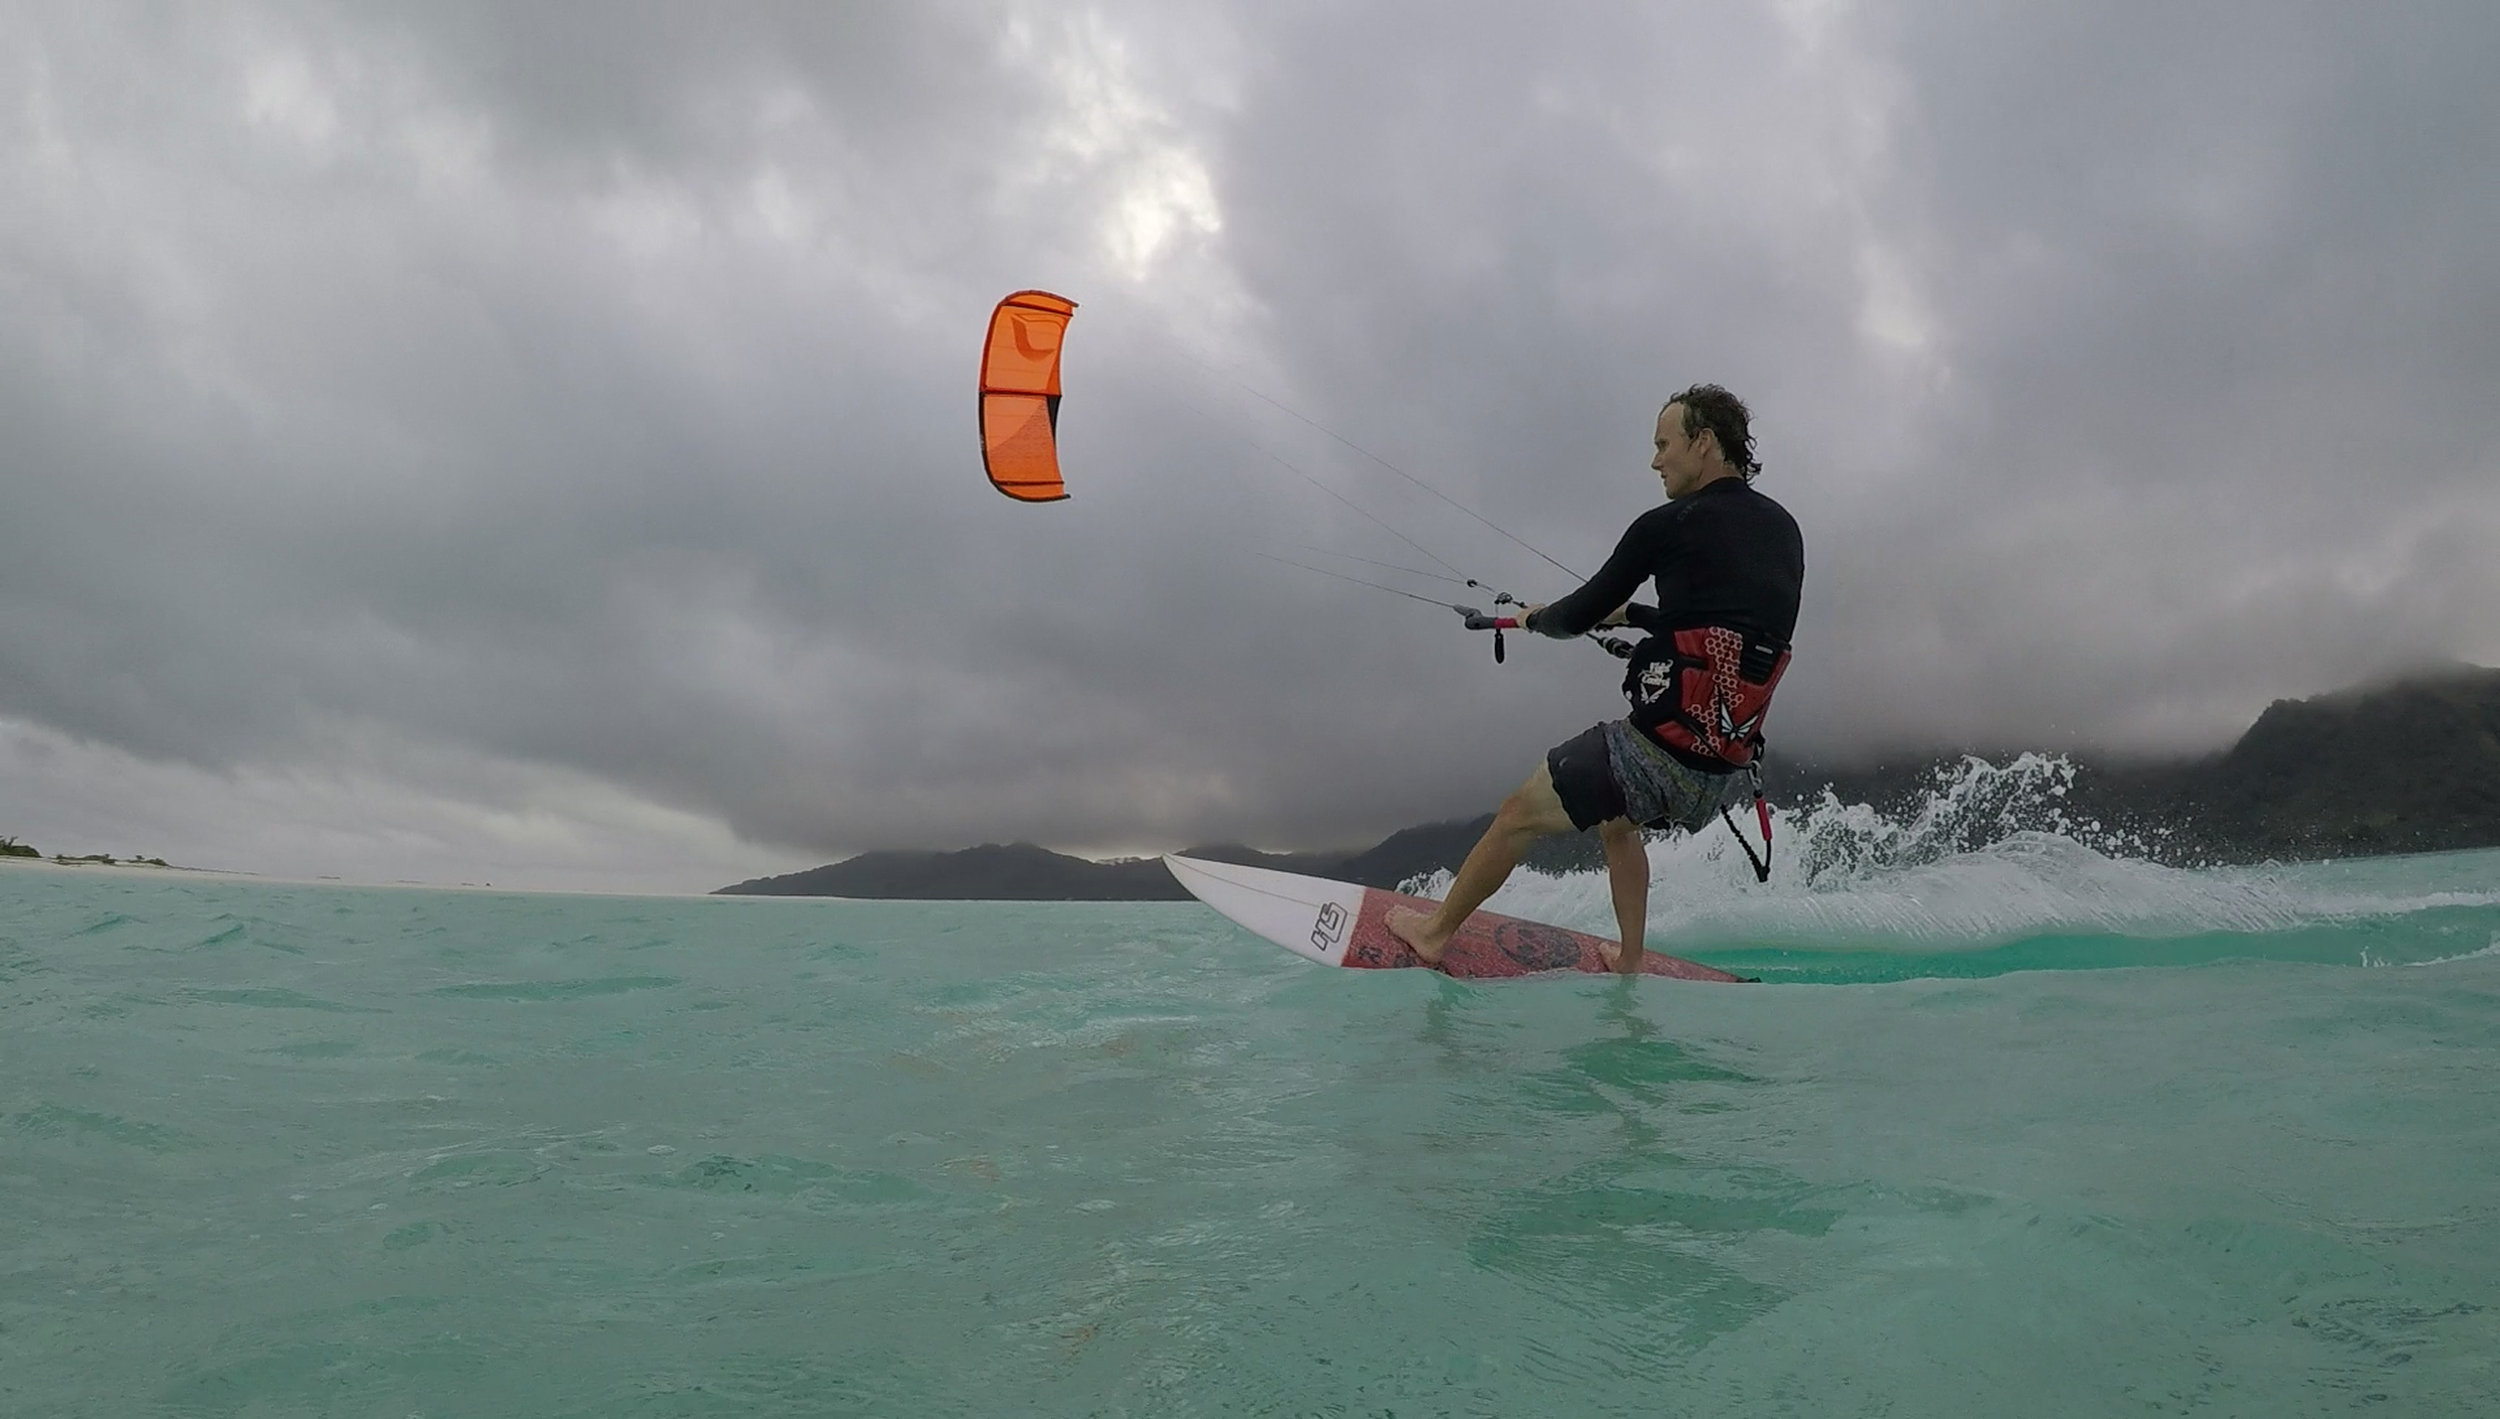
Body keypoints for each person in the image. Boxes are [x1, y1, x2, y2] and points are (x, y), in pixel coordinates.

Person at [1387, 385, 1804, 974]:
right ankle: (1630, 959)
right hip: (1719, 770)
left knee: (1516, 813)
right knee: (1616, 821)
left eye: (1664, 444)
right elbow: (1727, 631)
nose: (1655, 460)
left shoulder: (1667, 524)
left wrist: (1533, 618)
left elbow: (1572, 617)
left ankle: (1433, 934)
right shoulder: (1783, 531)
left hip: (1660, 749)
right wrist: (1632, 615)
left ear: (1704, 441)